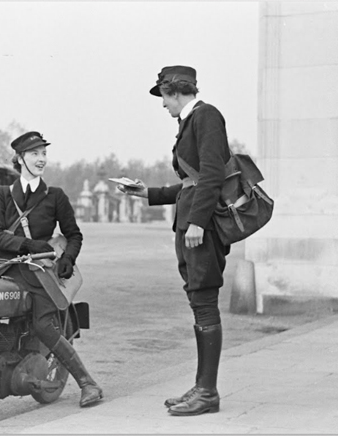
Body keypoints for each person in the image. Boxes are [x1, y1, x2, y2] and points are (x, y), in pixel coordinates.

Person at [119, 65, 230, 417]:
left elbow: (212, 174)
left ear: (174, 91)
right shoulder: (191, 120)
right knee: (199, 300)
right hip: (192, 226)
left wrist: (197, 222)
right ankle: (202, 386)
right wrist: (146, 192)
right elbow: (189, 185)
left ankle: (208, 392)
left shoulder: (205, 116)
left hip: (201, 229)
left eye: (163, 97)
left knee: (204, 299)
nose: (163, 105)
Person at [0, 131, 103, 408]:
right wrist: (30, 244)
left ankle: (88, 383)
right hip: (6, 270)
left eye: (44, 154)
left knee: (43, 326)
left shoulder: (55, 197)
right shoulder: (3, 195)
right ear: (19, 158)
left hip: (40, 275)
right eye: (35, 154)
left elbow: (74, 235)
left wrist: (68, 260)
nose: (41, 159)